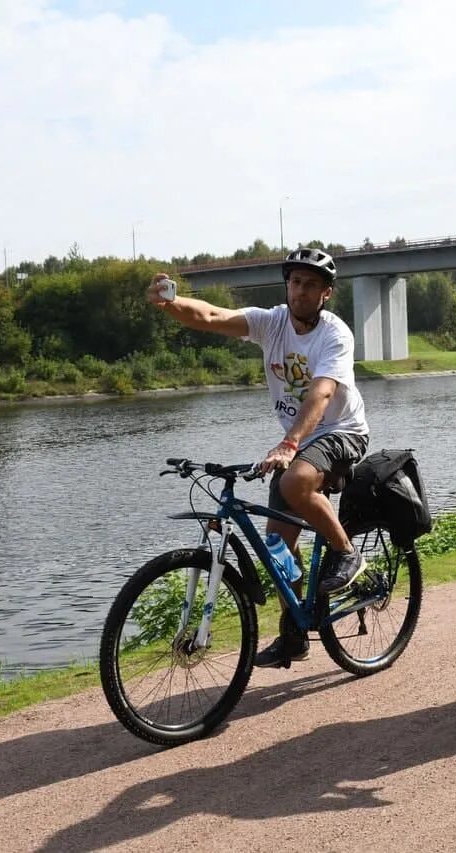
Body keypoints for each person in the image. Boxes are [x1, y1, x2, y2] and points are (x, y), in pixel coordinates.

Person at [147, 247, 370, 668]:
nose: (300, 291)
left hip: (341, 433)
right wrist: (172, 303)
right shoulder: (272, 322)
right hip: (299, 440)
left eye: (310, 285)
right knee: (277, 547)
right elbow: (212, 316)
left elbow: (322, 392)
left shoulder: (334, 335)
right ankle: (294, 635)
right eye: (295, 282)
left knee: (293, 481)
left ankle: (346, 552)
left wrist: (288, 445)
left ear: (326, 294)